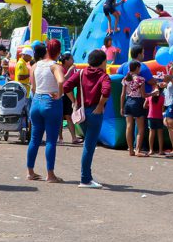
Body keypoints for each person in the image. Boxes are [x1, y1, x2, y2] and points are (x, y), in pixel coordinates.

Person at [63, 49, 110, 188]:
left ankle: (87, 177)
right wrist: (101, 105)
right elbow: (106, 91)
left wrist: (74, 102)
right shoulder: (104, 76)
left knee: (87, 145)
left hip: (82, 112)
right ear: (103, 62)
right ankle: (85, 179)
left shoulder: (81, 73)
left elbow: (66, 86)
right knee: (89, 146)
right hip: (95, 113)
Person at [26, 39, 66, 183]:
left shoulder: (35, 65)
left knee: (34, 139)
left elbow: (33, 87)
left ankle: (30, 172)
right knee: (50, 141)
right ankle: (50, 174)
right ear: (59, 51)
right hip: (51, 104)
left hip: (36, 102)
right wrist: (59, 94)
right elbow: (61, 81)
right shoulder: (56, 67)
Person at [120, 60, 149, 157]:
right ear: (137, 68)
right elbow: (143, 95)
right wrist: (154, 93)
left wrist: (121, 107)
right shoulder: (141, 79)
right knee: (140, 128)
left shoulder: (125, 79)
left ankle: (131, 150)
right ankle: (137, 150)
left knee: (129, 126)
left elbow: (123, 94)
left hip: (128, 102)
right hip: (137, 102)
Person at [58, 52, 80, 144]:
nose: (73, 60)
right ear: (66, 61)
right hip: (61, 94)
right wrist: (70, 70)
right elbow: (63, 80)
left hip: (68, 95)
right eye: (71, 59)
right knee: (59, 117)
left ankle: (74, 138)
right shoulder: (60, 68)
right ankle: (60, 137)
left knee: (69, 116)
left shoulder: (72, 69)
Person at [146, 89, 165, 156]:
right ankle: (160, 150)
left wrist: (150, 106)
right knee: (160, 134)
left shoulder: (149, 97)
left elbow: (144, 106)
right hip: (159, 117)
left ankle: (151, 150)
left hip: (151, 116)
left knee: (151, 133)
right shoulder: (162, 98)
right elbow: (162, 109)